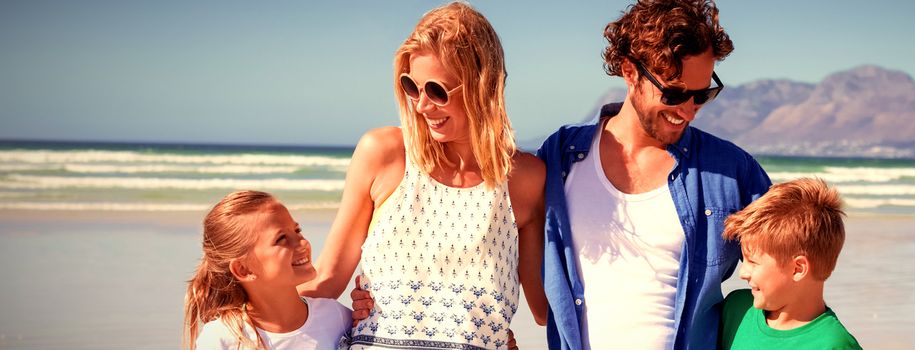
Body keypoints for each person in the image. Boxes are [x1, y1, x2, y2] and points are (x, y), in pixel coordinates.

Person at [296, 2, 547, 349]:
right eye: (412, 88)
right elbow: (325, 281)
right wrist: (241, 309)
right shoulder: (384, 154)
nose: (421, 106)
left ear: (482, 85)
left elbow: (547, 309)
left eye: (437, 91)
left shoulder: (526, 179)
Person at [537, 1, 772, 349]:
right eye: (675, 93)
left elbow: (791, 271)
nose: (688, 111)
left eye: (701, 95)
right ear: (630, 71)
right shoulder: (560, 157)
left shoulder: (731, 170)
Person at [184, 190, 351, 350]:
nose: (302, 242)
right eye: (281, 239)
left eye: (297, 230)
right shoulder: (222, 338)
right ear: (243, 269)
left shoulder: (336, 317)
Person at [719, 178, 861, 349]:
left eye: (753, 262)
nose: (742, 272)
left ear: (798, 269)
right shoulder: (736, 309)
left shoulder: (834, 344)